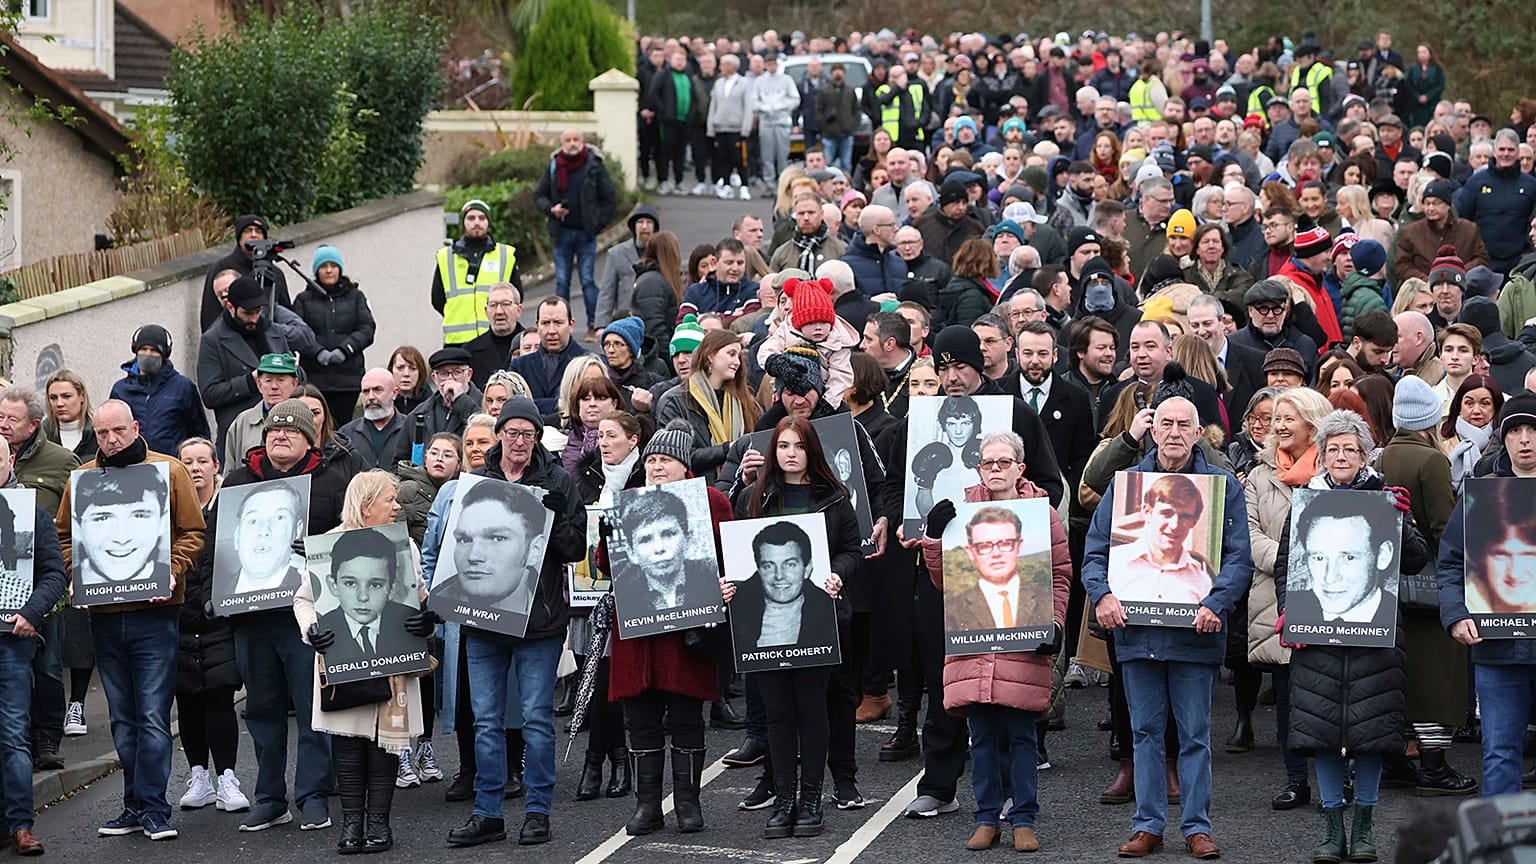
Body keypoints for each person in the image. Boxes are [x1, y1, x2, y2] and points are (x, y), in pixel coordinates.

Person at [1082, 395, 1252, 860]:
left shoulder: (1221, 487)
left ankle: (1197, 827)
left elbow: (1239, 556)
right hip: (1137, 635)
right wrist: (1104, 595)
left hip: (1197, 633)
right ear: (1152, 431)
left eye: (1185, 425)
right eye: (1166, 423)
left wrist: (1217, 603)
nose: (1174, 432)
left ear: (1200, 434)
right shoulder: (1126, 488)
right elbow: (1095, 553)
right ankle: (1148, 825)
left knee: (1195, 735)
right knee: (1144, 733)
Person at [429, 397, 584, 848]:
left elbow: (574, 549)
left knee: (535, 718)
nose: (519, 442)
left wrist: (552, 517)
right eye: (512, 433)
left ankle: (538, 810)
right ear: (499, 435)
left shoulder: (557, 479)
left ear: (538, 437)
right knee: (486, 719)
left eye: (528, 434)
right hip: (483, 621)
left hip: (539, 622)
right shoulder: (476, 481)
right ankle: (488, 811)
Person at [56, 400, 206, 842]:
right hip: (104, 615)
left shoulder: (170, 471)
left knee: (154, 716)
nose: (110, 440)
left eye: (117, 431)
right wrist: (76, 572)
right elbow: (65, 534)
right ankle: (133, 805)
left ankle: (155, 807)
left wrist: (171, 569)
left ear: (135, 427)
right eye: (102, 434)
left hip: (157, 614)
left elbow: (193, 531)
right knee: (123, 717)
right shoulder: (82, 478)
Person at [1279, 409, 1422, 864]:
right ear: (1321, 455)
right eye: (1333, 449)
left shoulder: (1384, 496)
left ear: (1365, 454)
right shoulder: (1305, 498)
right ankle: (1330, 828)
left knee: (1372, 735)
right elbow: (1289, 563)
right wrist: (1288, 611)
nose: (1342, 456)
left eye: (1351, 448)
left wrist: (1402, 518)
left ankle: (1363, 828)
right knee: (1322, 734)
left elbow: (1416, 560)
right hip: (1318, 641)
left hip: (1376, 644)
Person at [920, 430, 1069, 853]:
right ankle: (986, 817)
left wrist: (1054, 624)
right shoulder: (962, 511)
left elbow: (1059, 575)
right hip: (975, 643)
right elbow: (943, 580)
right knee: (981, 738)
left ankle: (1023, 817)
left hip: (1023, 643)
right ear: (979, 468)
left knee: (1022, 736)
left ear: (1021, 467)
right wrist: (934, 538)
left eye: (1005, 462)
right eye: (989, 463)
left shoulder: (1044, 515)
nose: (996, 470)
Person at [217, 398, 348, 832]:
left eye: (291, 430)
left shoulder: (331, 479)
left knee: (313, 709)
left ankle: (312, 795)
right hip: (251, 618)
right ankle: (270, 797)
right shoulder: (237, 481)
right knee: (262, 711)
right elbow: (217, 546)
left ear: (310, 438)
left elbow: (351, 539)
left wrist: (318, 548)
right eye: (274, 430)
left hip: (305, 615)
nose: (281, 436)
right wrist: (210, 596)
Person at [729, 416, 857, 840]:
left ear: (811, 451)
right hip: (764, 628)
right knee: (778, 714)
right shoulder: (753, 496)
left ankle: (811, 799)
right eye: (782, 445)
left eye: (797, 446)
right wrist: (730, 586)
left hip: (819, 621)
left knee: (811, 709)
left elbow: (852, 550)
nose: (789, 453)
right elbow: (732, 555)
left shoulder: (834, 498)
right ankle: (784, 800)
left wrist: (837, 573)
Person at [298, 479, 433, 853]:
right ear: (366, 502)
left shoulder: (404, 545)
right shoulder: (328, 545)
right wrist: (313, 631)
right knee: (347, 743)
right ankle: (351, 825)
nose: (396, 507)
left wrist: (425, 618)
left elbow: (418, 596)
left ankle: (379, 824)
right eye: (390, 500)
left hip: (392, 660)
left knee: (384, 745)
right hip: (341, 659)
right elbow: (303, 599)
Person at [1437, 394, 1536, 797]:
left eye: (1533, 430)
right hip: (1498, 647)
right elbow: (1451, 562)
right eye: (1515, 431)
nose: (1525, 439)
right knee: (1499, 751)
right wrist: (1457, 613)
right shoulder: (1481, 496)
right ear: (1503, 438)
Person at [172, 436, 249, 816]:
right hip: (179, 618)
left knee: (219, 697)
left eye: (203, 460)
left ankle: (228, 779)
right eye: (187, 461)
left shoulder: (228, 506)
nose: (195, 468)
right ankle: (198, 776)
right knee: (186, 698)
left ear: (216, 465)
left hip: (219, 617)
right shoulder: (170, 508)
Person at [0, 434, 67, 856]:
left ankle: (21, 824)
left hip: (11, 638)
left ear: (10, 461)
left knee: (12, 735)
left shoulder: (31, 514)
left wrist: (31, 613)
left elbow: (54, 574)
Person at [535, 129, 619, 336]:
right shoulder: (555, 165)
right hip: (561, 232)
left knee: (588, 281)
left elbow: (609, 198)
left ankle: (594, 325)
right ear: (562, 143)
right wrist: (551, 209)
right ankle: (561, 326)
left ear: (583, 142)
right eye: (568, 140)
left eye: (576, 140)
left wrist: (597, 224)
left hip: (585, 234)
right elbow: (539, 195)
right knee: (562, 281)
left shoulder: (594, 165)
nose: (572, 144)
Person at [198, 275, 296, 447]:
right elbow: (210, 394)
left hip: (283, 428)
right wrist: (250, 381)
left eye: (258, 312)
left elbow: (296, 375)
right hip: (241, 435)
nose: (254, 318)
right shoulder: (213, 340)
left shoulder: (272, 331)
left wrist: (293, 372)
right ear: (230, 307)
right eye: (248, 313)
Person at [293, 245, 375, 424]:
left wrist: (345, 350)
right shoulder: (303, 300)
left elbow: (367, 328)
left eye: (333, 265)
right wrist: (317, 352)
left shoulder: (356, 296)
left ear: (340, 268)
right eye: (323, 266)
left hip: (348, 380)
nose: (329, 270)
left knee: (343, 426)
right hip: (314, 380)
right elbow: (296, 333)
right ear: (316, 271)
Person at [1107, 474, 1218, 604]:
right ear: (1147, 512)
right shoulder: (1114, 562)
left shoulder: (1202, 581)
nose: (1174, 525)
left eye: (1185, 516)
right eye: (1167, 513)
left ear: (1194, 521)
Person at [940, 505, 1052, 632]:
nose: (996, 553)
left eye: (1005, 543)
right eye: (984, 546)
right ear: (971, 552)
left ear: (1019, 546)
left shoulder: (1047, 599)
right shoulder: (951, 611)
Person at [106, 325, 208, 459]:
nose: (148, 354)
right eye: (143, 349)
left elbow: (199, 432)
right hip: (132, 466)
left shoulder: (183, 387)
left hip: (172, 465)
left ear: (164, 354)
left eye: (154, 350)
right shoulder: (120, 390)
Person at [433, 199, 522, 347]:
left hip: (495, 337)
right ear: (463, 222)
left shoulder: (504, 255)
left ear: (488, 222)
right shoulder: (446, 257)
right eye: (471, 218)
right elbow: (437, 298)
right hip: (457, 341)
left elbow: (517, 294)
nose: (476, 222)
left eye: (482, 218)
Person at [199, 214, 292, 332]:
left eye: (258, 231)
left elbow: (287, 311)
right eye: (248, 231)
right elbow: (210, 314)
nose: (253, 235)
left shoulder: (275, 273)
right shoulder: (222, 268)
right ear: (239, 237)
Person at [396, 348, 486, 464]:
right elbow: (399, 462)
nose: (450, 379)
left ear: (468, 375)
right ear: (434, 378)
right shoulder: (418, 414)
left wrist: (461, 400)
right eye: (443, 374)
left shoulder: (485, 405)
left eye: (457, 372)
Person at [508, 297, 594, 413]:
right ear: (537, 326)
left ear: (571, 325)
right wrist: (561, 403)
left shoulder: (588, 364)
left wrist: (532, 404)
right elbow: (511, 405)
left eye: (558, 323)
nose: (551, 331)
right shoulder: (520, 366)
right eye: (546, 323)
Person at [222, 353, 301, 471]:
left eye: (281, 380)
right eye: (268, 380)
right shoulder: (243, 421)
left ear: (294, 383)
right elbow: (230, 470)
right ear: (259, 385)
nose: (274, 386)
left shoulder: (304, 419)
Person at [596, 205, 660, 330]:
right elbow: (607, 292)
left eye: (649, 222)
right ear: (634, 227)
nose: (645, 226)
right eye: (640, 222)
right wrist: (601, 325)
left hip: (654, 323)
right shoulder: (616, 254)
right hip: (625, 323)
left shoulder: (662, 253)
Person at [334, 368, 406, 472]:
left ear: (394, 393)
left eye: (378, 390)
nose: (371, 397)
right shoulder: (346, 434)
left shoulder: (410, 428)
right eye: (366, 392)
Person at [462, 283, 526, 390]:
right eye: (493, 305)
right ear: (486, 311)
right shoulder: (470, 352)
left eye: (505, 304)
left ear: (518, 310)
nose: (499, 311)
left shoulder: (534, 346)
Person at [44, 369, 98, 461]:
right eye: (53, 398)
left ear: (82, 396)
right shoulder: (41, 436)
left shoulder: (99, 433)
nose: (59, 403)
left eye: (66, 396)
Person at [389, 347, 433, 416]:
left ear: (420, 372)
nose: (406, 374)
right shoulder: (384, 403)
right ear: (391, 370)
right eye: (400, 368)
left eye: (413, 368)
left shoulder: (431, 404)